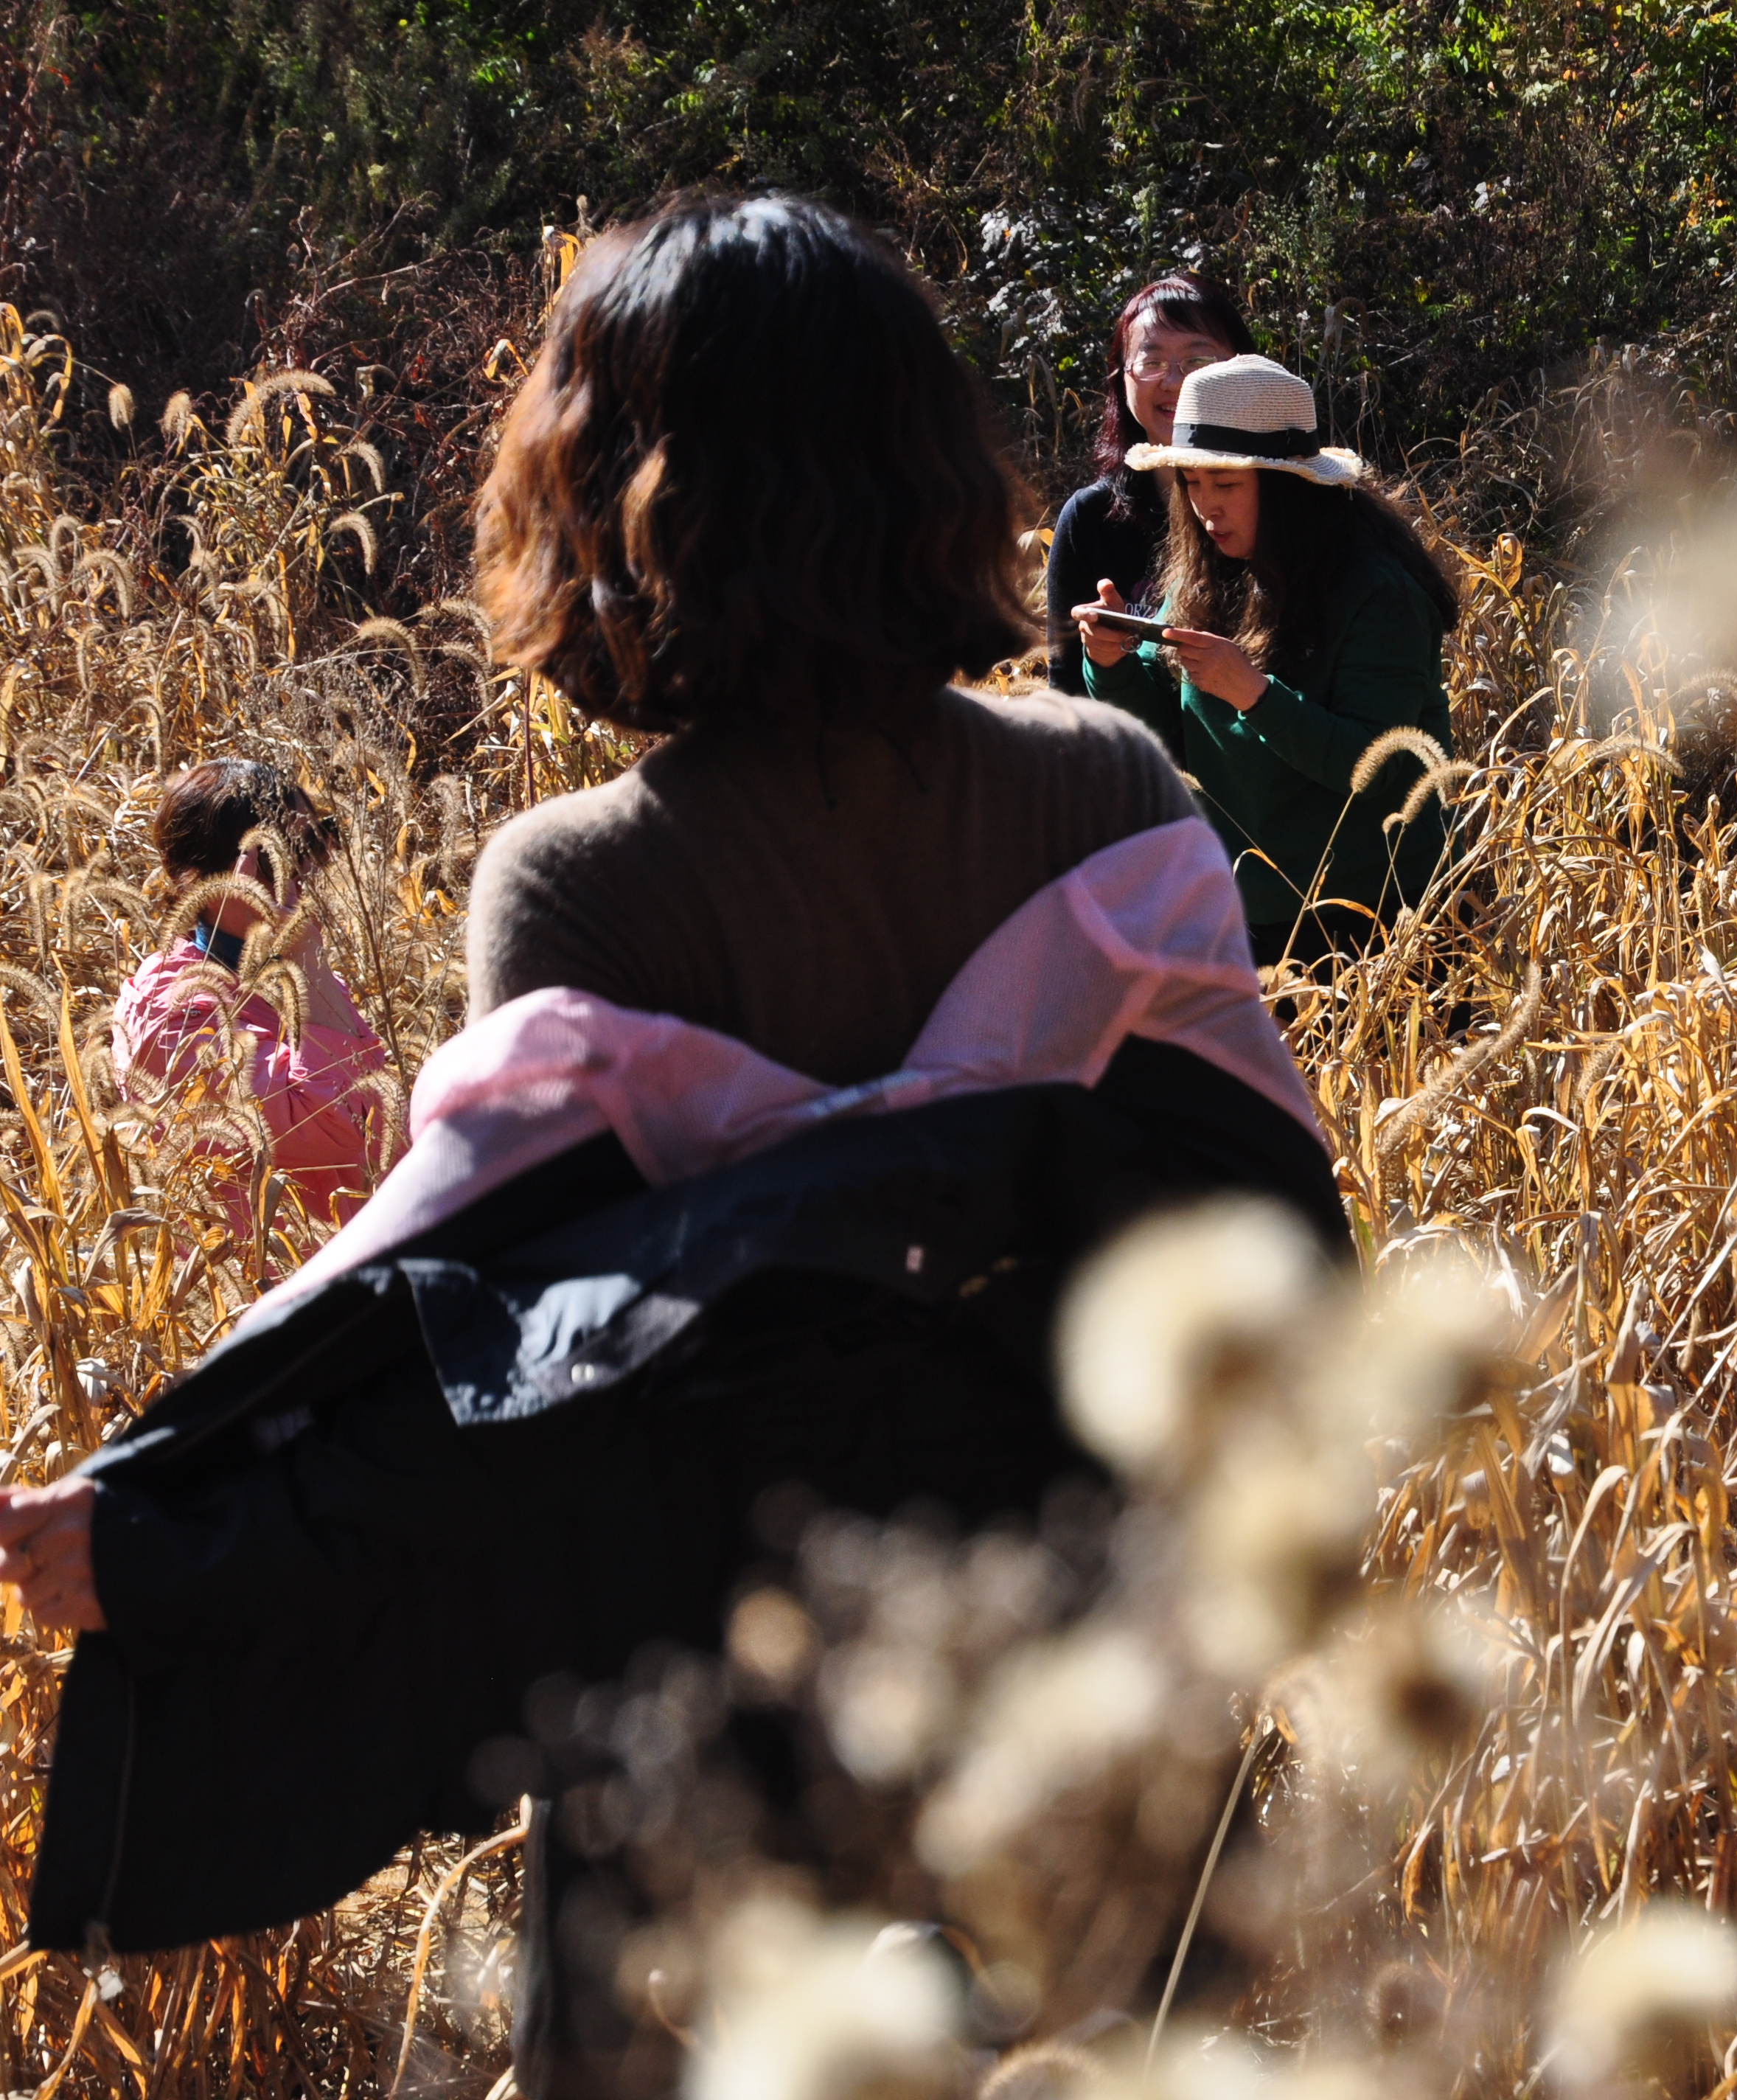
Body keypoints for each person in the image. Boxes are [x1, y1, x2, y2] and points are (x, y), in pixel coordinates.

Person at [0, 193, 1342, 2100]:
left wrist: (159, 1530)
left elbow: (498, 1380)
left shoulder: (581, 887)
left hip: (704, 1786)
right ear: (926, 470)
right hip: (1092, 1716)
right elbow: (1273, 1259)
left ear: (608, 508)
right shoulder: (1107, 793)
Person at [1075, 354, 1462, 963]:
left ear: (1286, 488)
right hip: (1244, 909)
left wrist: (1253, 693)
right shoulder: (1208, 574)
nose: (1206, 507)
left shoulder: (1380, 593)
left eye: (1226, 484)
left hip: (1377, 916)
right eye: (1191, 482)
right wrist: (1111, 663)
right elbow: (1165, 728)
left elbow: (1375, 766)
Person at [112, 758, 388, 1234]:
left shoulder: (271, 970)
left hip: (364, 1249)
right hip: (281, 1271)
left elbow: (375, 1106)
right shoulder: (171, 1018)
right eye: (276, 856)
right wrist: (309, 959)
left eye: (315, 840)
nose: (308, 867)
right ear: (199, 880)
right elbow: (341, 1128)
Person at [1043, 271, 1252, 696]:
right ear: (1121, 379)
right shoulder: (1090, 519)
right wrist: (1104, 658)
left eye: (1198, 360)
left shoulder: (1286, 503)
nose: (1174, 381)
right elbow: (1067, 691)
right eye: (1151, 362)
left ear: (1245, 368)